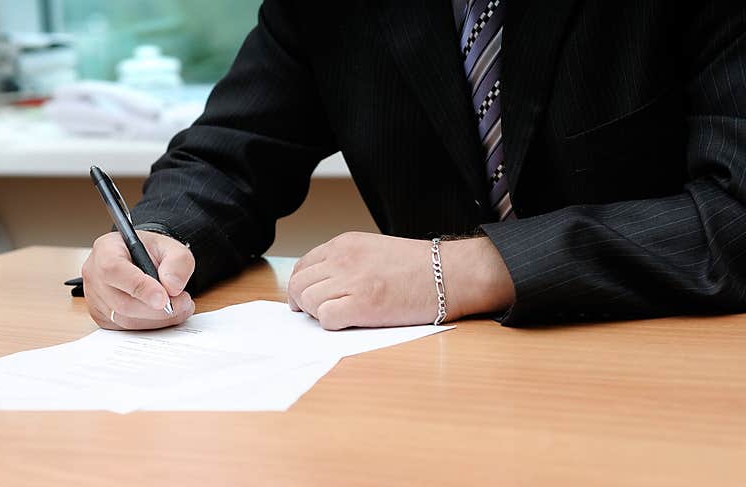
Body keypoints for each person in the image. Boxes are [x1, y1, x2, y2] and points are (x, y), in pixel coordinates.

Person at [82, 0, 746, 331]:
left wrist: (472, 268)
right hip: (431, 391)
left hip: (660, 370)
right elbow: (230, 154)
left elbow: (733, 214)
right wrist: (158, 237)